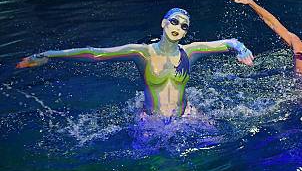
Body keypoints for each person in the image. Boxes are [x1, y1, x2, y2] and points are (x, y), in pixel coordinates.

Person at [16, 8, 254, 118]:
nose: (178, 28)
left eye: (184, 26)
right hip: (151, 121)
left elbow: (229, 42)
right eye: (174, 22)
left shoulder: (190, 52)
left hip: (186, 116)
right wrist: (48, 55)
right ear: (163, 23)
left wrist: (242, 49)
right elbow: (95, 53)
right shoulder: (142, 53)